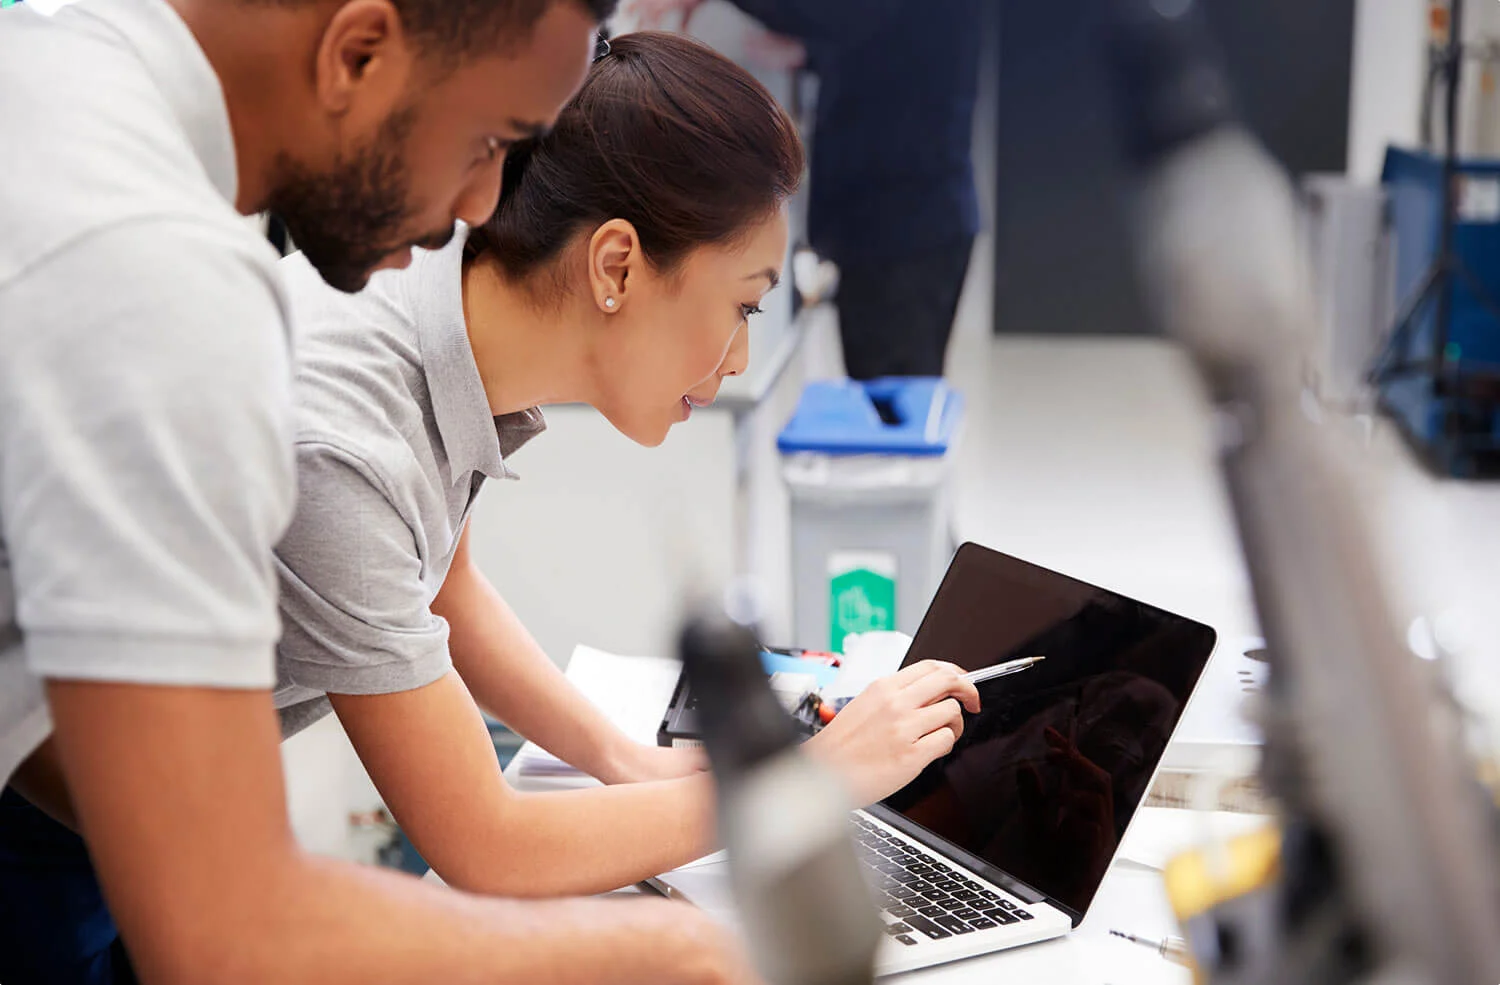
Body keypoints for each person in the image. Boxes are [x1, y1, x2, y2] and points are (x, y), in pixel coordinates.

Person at [0, 1, 770, 983]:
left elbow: (439, 585)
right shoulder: (180, 292)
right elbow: (229, 927)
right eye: (489, 140)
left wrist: (625, 761)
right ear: (358, 51)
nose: (486, 205)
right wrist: (678, 947)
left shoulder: (58, 62)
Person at [270, 31, 982, 897]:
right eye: (744, 304)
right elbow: (488, 842)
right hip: (77, 821)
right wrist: (807, 782)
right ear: (616, 264)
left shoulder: (436, 296)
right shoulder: (350, 434)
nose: (740, 360)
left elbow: (442, 580)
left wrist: (619, 757)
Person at [632, 0, 983, 380]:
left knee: (891, 408)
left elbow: (836, 13)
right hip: (901, 224)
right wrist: (812, 53)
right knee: (886, 399)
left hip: (905, 230)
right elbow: (884, 45)